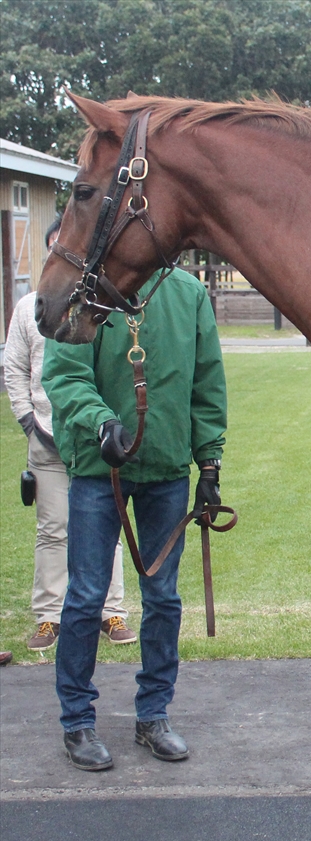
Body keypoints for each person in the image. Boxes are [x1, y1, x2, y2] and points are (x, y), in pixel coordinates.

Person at [42, 265, 227, 771]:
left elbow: (206, 380)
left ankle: (154, 715)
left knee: (163, 597)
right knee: (86, 596)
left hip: (166, 467)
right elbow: (64, 374)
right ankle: (77, 721)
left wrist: (210, 462)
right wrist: (101, 421)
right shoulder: (87, 291)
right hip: (99, 469)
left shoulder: (187, 292)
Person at [3, 219, 132, 653]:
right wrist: (27, 420)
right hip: (46, 434)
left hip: (92, 436)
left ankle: (111, 611)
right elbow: (15, 368)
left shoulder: (101, 304)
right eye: (56, 243)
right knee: (53, 529)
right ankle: (49, 615)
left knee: (107, 525)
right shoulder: (30, 307)